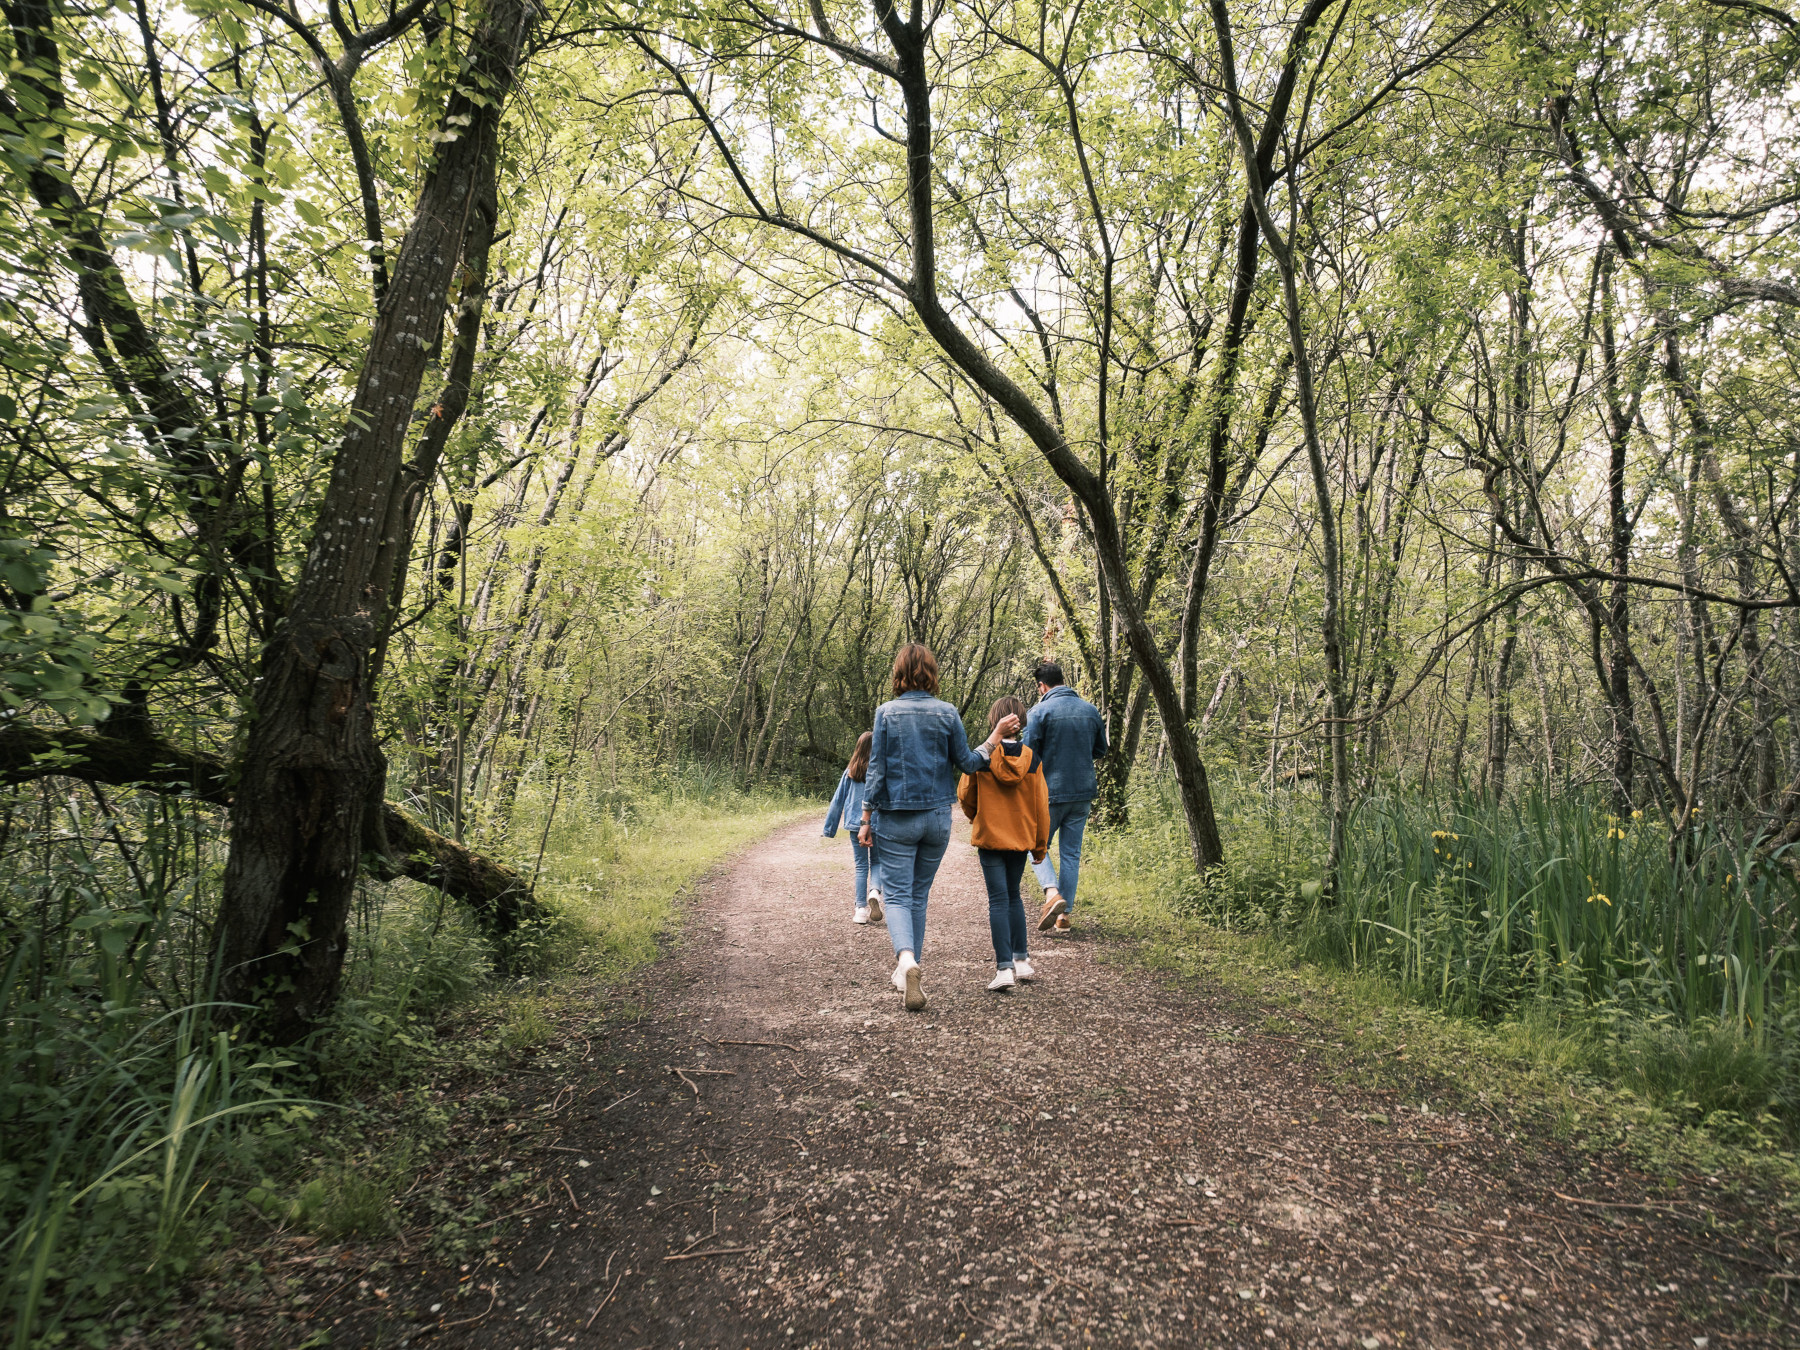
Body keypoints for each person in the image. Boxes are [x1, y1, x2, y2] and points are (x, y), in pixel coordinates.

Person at [858, 643, 1019, 1011]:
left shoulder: (886, 713)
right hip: (936, 819)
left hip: (896, 816)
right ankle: (908, 969)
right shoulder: (947, 713)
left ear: (898, 673)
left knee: (896, 895)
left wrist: (866, 819)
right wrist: (994, 736)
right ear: (931, 673)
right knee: (918, 895)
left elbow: (878, 771)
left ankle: (907, 960)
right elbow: (968, 762)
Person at [957, 695, 1049, 991]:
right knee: (1013, 896)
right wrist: (1040, 845)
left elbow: (965, 794)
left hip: (991, 837)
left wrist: (978, 816)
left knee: (998, 900)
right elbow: (1041, 805)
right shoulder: (1032, 759)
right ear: (1020, 722)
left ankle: (1004, 969)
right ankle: (1021, 961)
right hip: (1020, 839)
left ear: (993, 720)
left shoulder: (983, 757)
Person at [1022, 659, 1109, 933]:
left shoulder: (1038, 712)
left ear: (1041, 686)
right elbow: (1101, 750)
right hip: (1082, 792)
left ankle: (1052, 894)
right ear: (1063, 679)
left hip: (1049, 792)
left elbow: (1027, 754)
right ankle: (1063, 916)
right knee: (1071, 853)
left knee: (1035, 846)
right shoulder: (1090, 710)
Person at [823, 732, 884, 925]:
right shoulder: (882, 771)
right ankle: (874, 891)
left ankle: (860, 910)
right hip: (878, 823)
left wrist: (829, 829)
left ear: (858, 748)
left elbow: (837, 801)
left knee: (860, 865)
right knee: (877, 861)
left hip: (855, 824)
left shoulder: (850, 771)